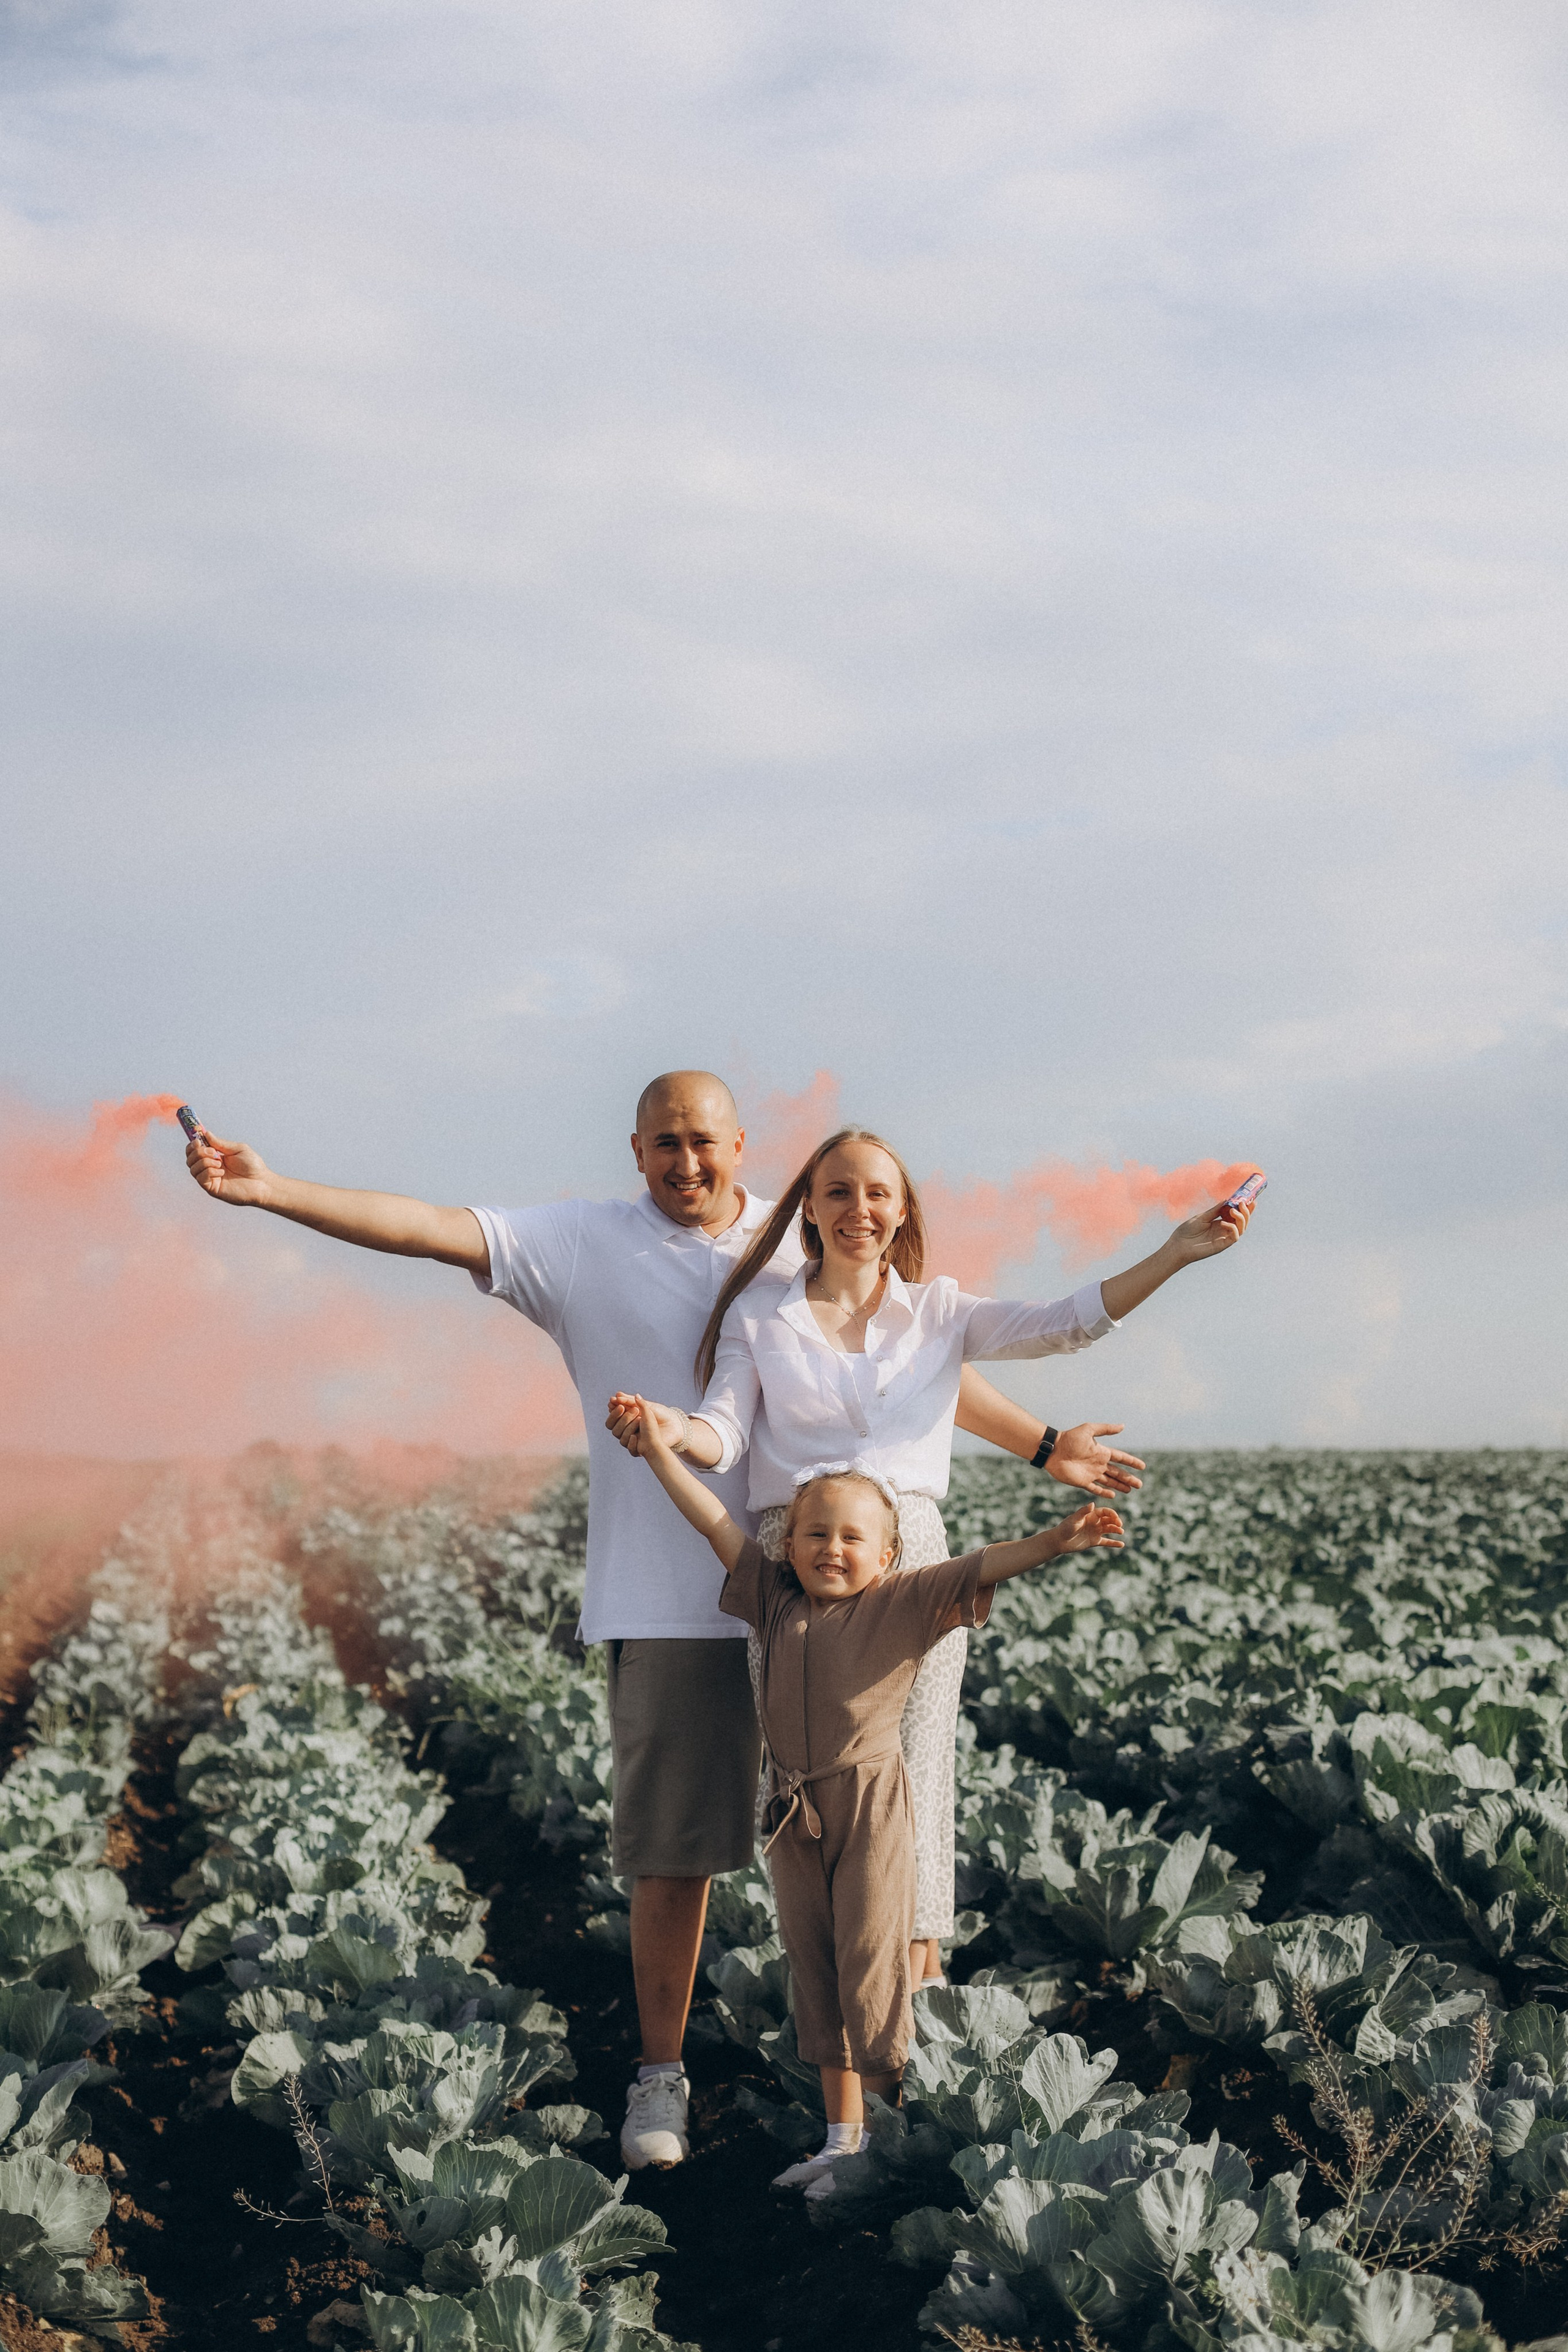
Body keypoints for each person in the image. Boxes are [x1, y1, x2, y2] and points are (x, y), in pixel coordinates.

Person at [182, 1071, 1138, 2171]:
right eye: (666, 1144)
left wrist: (1038, 1441)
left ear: (744, 1147)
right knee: (677, 1855)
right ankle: (661, 2079)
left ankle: (883, 2101)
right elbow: (432, 1229)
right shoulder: (581, 1245)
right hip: (675, 1596)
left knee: (879, 1845)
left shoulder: (805, 1241)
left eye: (707, 1143)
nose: (688, 1164)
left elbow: (907, 1359)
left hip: (829, 1602)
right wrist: (271, 1191)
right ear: (636, 1151)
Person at [608, 1125, 1252, 1994]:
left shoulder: (939, 1311)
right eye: (838, 1191)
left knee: (915, 1770)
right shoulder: (761, 1315)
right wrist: (665, 1429)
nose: (859, 1210)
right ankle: (836, 2005)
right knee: (810, 1774)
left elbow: (1065, 1325)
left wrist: (1176, 1252)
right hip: (796, 1561)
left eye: (877, 1193)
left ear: (902, 1210)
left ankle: (916, 1990)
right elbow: (719, 1431)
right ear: (808, 1206)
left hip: (909, 1555)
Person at [617, 1398, 1125, 2194]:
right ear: (788, 1544)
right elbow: (715, 1520)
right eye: (816, 1534)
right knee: (814, 1968)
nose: (832, 1549)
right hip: (793, 1817)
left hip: (872, 1814)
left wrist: (1059, 1540)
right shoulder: (772, 1598)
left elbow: (985, 1565)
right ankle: (842, 2138)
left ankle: (884, 2144)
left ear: (888, 1555)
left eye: (854, 1538)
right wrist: (658, 1453)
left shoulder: (902, 1606)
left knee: (870, 1968)